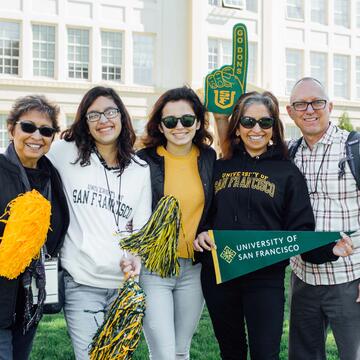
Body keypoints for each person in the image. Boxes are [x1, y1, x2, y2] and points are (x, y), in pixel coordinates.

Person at [194, 90, 343, 360]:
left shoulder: (287, 172)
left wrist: (331, 250)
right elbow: (202, 216)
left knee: (265, 354)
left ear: (273, 128)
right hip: (219, 274)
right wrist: (201, 234)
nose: (256, 129)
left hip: (265, 279)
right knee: (231, 352)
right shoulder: (219, 167)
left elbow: (300, 234)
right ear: (237, 127)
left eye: (265, 122)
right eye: (248, 122)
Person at [47, 86, 152, 360]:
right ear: (84, 122)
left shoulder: (140, 170)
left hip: (122, 287)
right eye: (93, 115)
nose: (103, 120)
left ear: (122, 116)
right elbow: (28, 156)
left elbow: (140, 228)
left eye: (110, 112)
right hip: (82, 283)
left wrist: (135, 260)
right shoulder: (64, 153)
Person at [132, 86, 216, 360]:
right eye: (170, 121)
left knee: (181, 351)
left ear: (198, 122)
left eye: (187, 120)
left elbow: (218, 206)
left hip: (193, 269)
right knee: (164, 354)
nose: (179, 126)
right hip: (154, 270)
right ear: (160, 125)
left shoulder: (209, 158)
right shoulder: (143, 161)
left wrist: (208, 231)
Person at [286, 77, 360, 360]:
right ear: (290, 111)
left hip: (349, 279)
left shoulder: (354, 147)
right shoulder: (289, 152)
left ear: (330, 106)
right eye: (300, 104)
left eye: (317, 102)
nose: (309, 110)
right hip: (303, 277)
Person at [0, 95, 69, 360]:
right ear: (12, 129)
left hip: (31, 299)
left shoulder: (53, 176)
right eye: (28, 127)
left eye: (46, 130)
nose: (36, 136)